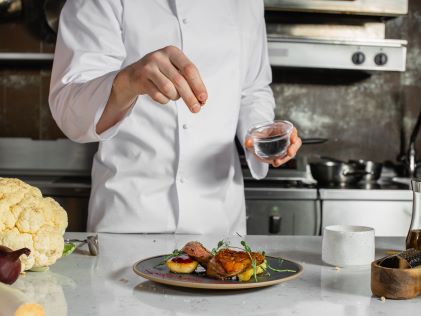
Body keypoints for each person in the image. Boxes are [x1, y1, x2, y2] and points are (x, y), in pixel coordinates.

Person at [49, 0, 302, 235]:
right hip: (129, 219)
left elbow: (252, 89)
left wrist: (260, 134)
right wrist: (127, 83)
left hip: (218, 221)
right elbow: (70, 110)